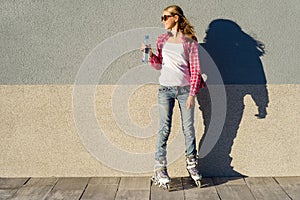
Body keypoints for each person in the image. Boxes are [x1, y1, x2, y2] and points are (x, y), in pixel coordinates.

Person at [141, 5, 205, 189]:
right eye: (162, 17)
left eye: (166, 17)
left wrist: (193, 94)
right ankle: (160, 167)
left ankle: (192, 164)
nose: (163, 20)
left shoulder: (190, 41)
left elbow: (196, 70)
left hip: (185, 91)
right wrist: (150, 54)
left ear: (176, 18)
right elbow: (158, 65)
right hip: (165, 90)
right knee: (164, 128)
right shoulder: (162, 39)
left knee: (188, 129)